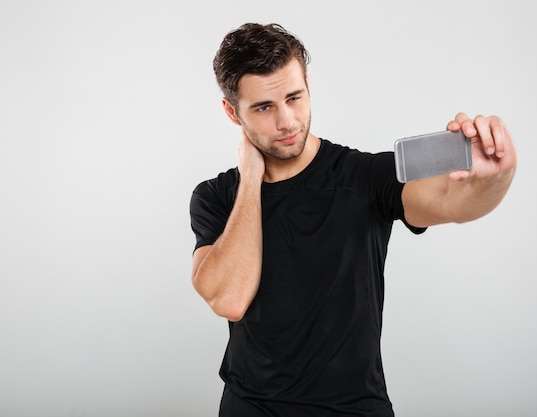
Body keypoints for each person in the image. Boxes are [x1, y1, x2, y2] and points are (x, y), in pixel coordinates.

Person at [190, 23, 516, 417]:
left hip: (354, 409)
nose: (288, 121)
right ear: (232, 112)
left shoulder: (365, 176)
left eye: (295, 97)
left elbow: (453, 203)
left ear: (307, 84)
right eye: (264, 108)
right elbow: (229, 298)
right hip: (250, 408)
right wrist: (250, 178)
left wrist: (495, 177)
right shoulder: (216, 196)